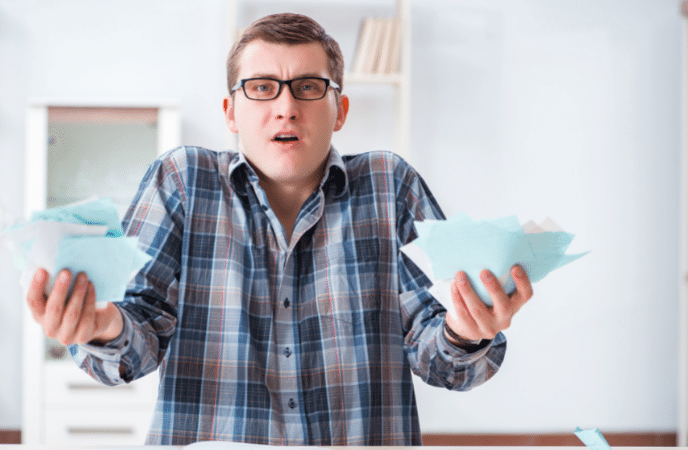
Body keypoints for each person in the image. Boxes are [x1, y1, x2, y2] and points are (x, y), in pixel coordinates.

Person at [26, 13, 533, 446]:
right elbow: (134, 342)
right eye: (262, 87)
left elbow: (444, 359)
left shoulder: (389, 185)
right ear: (230, 111)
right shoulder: (181, 179)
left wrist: (465, 333)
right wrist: (99, 325)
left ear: (340, 110)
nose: (286, 106)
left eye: (309, 88)